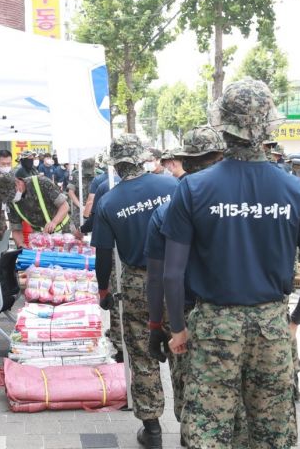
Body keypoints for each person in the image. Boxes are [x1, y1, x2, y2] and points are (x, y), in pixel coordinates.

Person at [162, 80, 300, 448]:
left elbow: (172, 273)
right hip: (271, 323)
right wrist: (294, 321)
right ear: (269, 126)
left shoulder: (192, 189)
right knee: (272, 429)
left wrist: (177, 328)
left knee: (208, 427)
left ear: (222, 126)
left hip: (213, 324)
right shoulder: (295, 190)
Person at [91, 134, 178, 449]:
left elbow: (103, 254)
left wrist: (103, 290)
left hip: (137, 283)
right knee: (184, 349)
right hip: (177, 277)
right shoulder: (171, 186)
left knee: (142, 354)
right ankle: (190, 422)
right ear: (142, 158)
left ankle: (153, 429)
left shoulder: (109, 202)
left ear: (115, 164)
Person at [145, 126, 223, 432]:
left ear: (184, 162)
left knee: (191, 402)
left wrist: (158, 325)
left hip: (187, 316)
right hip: (242, 312)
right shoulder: (238, 205)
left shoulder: (167, 211)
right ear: (219, 157)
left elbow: (159, 277)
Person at [8, 169, 73, 249]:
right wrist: (21, 245)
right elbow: (16, 229)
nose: (12, 198)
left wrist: (54, 222)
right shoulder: (11, 200)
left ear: (18, 183)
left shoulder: (41, 182)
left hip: (63, 231)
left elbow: (65, 206)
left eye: (12, 194)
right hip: (39, 239)